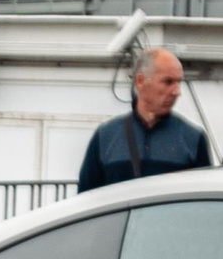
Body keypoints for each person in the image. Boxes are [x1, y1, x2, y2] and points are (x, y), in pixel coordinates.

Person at [79, 48, 209, 188]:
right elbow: (87, 198)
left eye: (179, 82)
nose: (177, 91)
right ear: (140, 81)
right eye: (168, 82)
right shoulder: (105, 136)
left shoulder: (194, 138)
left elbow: (204, 202)